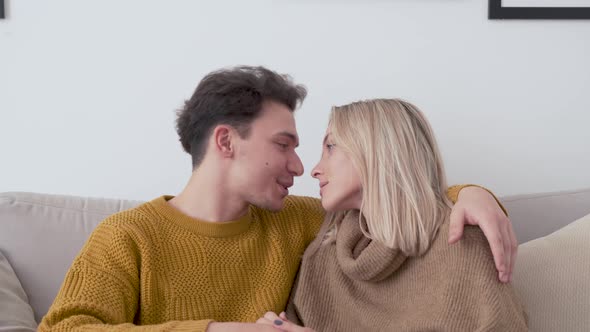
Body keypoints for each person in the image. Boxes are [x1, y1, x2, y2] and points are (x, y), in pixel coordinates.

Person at [39, 67, 517, 331]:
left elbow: (394, 196)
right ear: (226, 143)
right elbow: (64, 330)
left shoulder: (304, 222)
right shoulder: (127, 237)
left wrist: (471, 194)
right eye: (283, 144)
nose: (299, 165)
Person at [258, 99, 527, 331]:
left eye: (330, 147)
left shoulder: (460, 235)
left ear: (375, 150)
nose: (314, 169)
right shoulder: (324, 247)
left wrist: (472, 194)